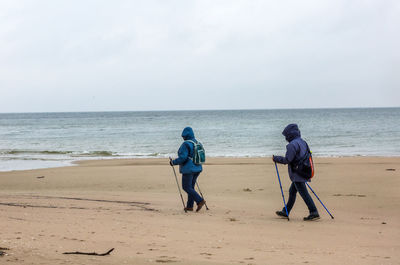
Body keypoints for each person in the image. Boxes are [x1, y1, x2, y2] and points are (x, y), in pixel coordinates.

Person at [272, 124, 320, 221]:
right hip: (305, 170)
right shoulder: (303, 142)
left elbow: (288, 160)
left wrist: (276, 158)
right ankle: (286, 211)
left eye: (286, 135)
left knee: (304, 193)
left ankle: (314, 212)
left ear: (290, 135)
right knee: (292, 191)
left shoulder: (292, 145)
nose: (285, 138)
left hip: (298, 173)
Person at [170, 127, 206, 212]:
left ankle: (200, 201)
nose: (182, 137)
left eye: (183, 136)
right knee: (191, 187)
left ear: (185, 136)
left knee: (186, 187)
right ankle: (189, 206)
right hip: (198, 168)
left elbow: (183, 158)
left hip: (189, 169)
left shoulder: (185, 144)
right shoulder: (197, 142)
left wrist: (173, 162)